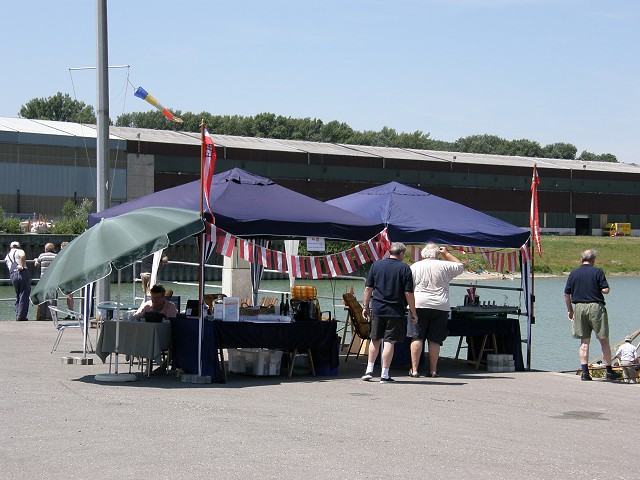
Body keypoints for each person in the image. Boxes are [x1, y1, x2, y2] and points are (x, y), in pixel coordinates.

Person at [361, 242, 418, 383]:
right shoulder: (405, 268)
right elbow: (408, 292)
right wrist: (413, 311)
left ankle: (369, 370)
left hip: (378, 308)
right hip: (395, 310)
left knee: (375, 339)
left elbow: (368, 288)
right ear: (401, 254)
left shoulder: (377, 265)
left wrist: (365, 306)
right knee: (389, 342)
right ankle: (384, 374)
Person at [564, 249, 621, 381]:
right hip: (595, 307)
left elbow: (566, 294)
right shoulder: (597, 271)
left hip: (579, 307)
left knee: (584, 342)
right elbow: (605, 290)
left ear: (581, 259)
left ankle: (585, 373)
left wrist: (570, 310)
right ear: (593, 260)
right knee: (603, 340)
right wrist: (602, 288)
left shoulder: (574, 273)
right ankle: (609, 371)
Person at [409, 243, 464, 378]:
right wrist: (447, 254)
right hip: (441, 305)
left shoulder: (415, 266)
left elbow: (409, 285)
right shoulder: (445, 265)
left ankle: (415, 370)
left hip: (420, 303)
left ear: (423, 253)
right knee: (435, 339)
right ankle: (433, 370)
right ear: (437, 253)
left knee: (417, 336)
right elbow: (461, 266)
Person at [4, 241, 31, 321]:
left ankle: (17, 313)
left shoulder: (7, 255)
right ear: (18, 246)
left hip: (13, 274)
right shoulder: (20, 251)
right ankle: (21, 316)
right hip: (22, 273)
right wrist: (22, 266)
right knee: (24, 294)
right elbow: (23, 256)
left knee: (18, 294)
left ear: (11, 247)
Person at [34, 243, 57, 321]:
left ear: (45, 249)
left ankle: (42, 315)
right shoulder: (56, 256)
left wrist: (35, 260)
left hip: (43, 279)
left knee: (43, 297)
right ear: (53, 249)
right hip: (53, 279)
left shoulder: (42, 255)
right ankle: (50, 315)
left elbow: (37, 263)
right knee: (52, 297)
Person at [60, 242, 74, 310]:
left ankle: (71, 313)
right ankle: (71, 312)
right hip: (71, 277)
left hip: (67, 277)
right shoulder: (72, 255)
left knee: (69, 296)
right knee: (69, 296)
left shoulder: (65, 256)